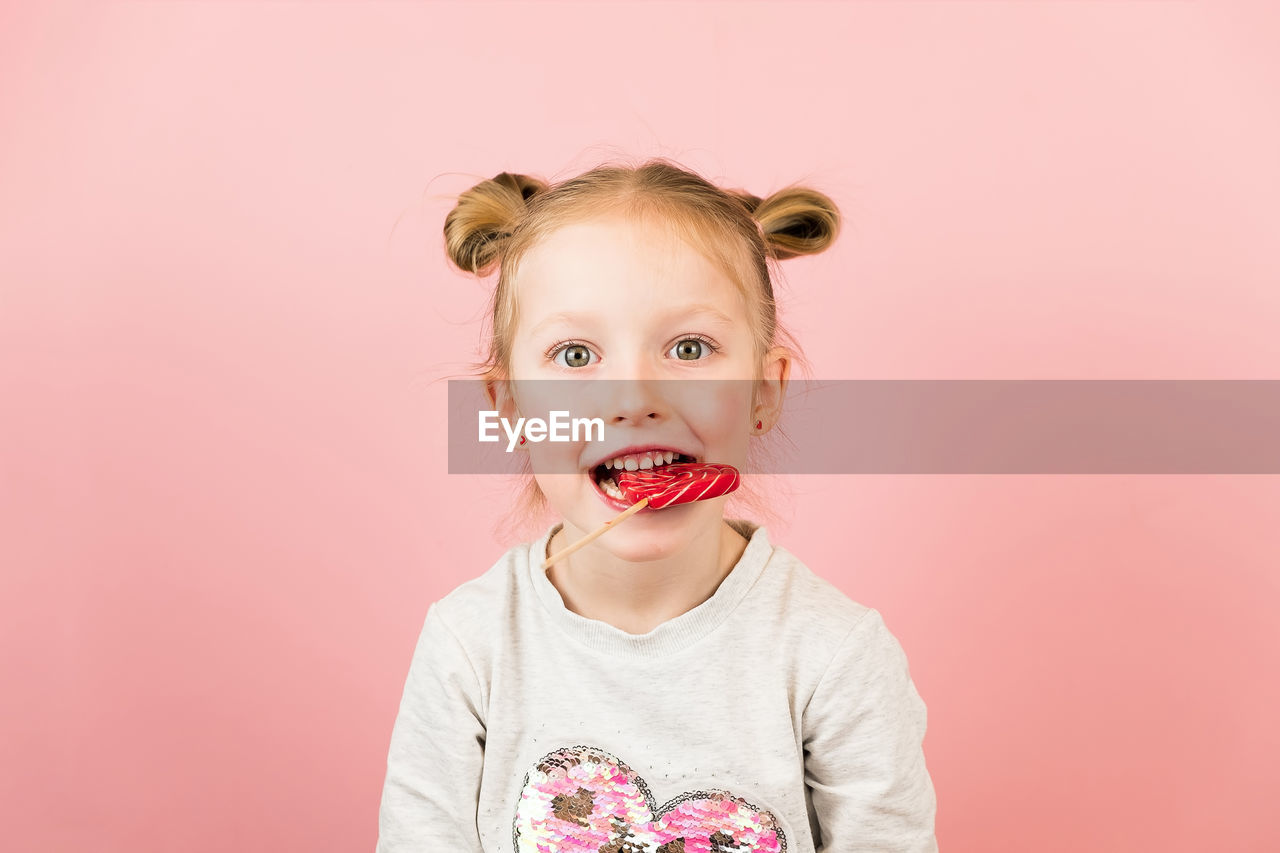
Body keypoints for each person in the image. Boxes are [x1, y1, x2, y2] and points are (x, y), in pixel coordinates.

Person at [376, 158, 938, 852]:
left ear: (764, 392)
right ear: (511, 406)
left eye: (690, 347)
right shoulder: (470, 647)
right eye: (576, 355)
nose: (634, 398)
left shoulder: (835, 657)